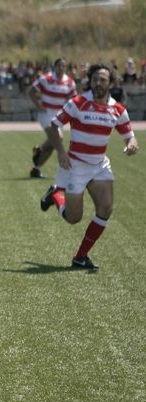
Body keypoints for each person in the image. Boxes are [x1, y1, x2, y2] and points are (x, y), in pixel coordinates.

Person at [40, 63, 138, 270]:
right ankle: (55, 195)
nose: (97, 83)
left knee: (106, 208)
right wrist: (59, 151)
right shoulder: (78, 103)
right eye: (94, 79)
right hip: (76, 165)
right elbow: (53, 125)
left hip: (100, 166)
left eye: (102, 80)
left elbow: (130, 137)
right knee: (73, 218)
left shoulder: (118, 109)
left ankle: (80, 256)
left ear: (111, 83)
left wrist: (131, 145)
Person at [28, 58, 77, 178]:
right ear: (54, 67)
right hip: (46, 114)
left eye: (64, 66)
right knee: (57, 137)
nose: (61, 68)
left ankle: (36, 168)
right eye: (59, 65)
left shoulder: (70, 82)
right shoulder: (46, 78)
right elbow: (31, 92)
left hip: (59, 116)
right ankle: (43, 152)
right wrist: (39, 106)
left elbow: (74, 99)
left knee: (52, 145)